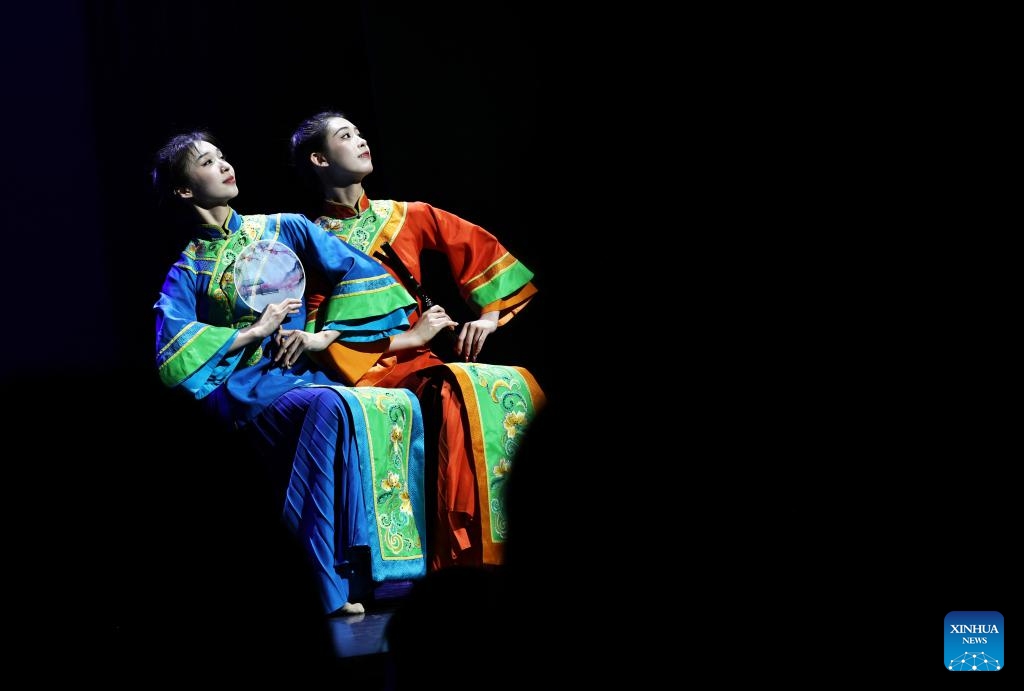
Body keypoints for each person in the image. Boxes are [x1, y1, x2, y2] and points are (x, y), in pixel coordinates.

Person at [151, 131, 453, 619]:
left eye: (223, 156)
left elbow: (360, 272)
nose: (224, 165)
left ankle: (358, 573)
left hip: (299, 375)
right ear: (185, 190)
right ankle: (316, 582)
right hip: (242, 389)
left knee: (367, 404)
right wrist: (254, 333)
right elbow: (172, 352)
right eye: (207, 162)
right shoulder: (187, 270)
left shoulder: (283, 228)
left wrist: (327, 335)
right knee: (332, 405)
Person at [289, 111, 545, 570]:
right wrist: (413, 336)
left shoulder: (405, 215)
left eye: (360, 132)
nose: (361, 140)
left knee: (503, 384)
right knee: (453, 390)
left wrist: (488, 318)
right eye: (345, 136)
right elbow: (316, 334)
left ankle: (484, 545)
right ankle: (458, 556)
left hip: (417, 365)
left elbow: (476, 245)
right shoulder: (308, 239)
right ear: (319, 159)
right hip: (362, 371)